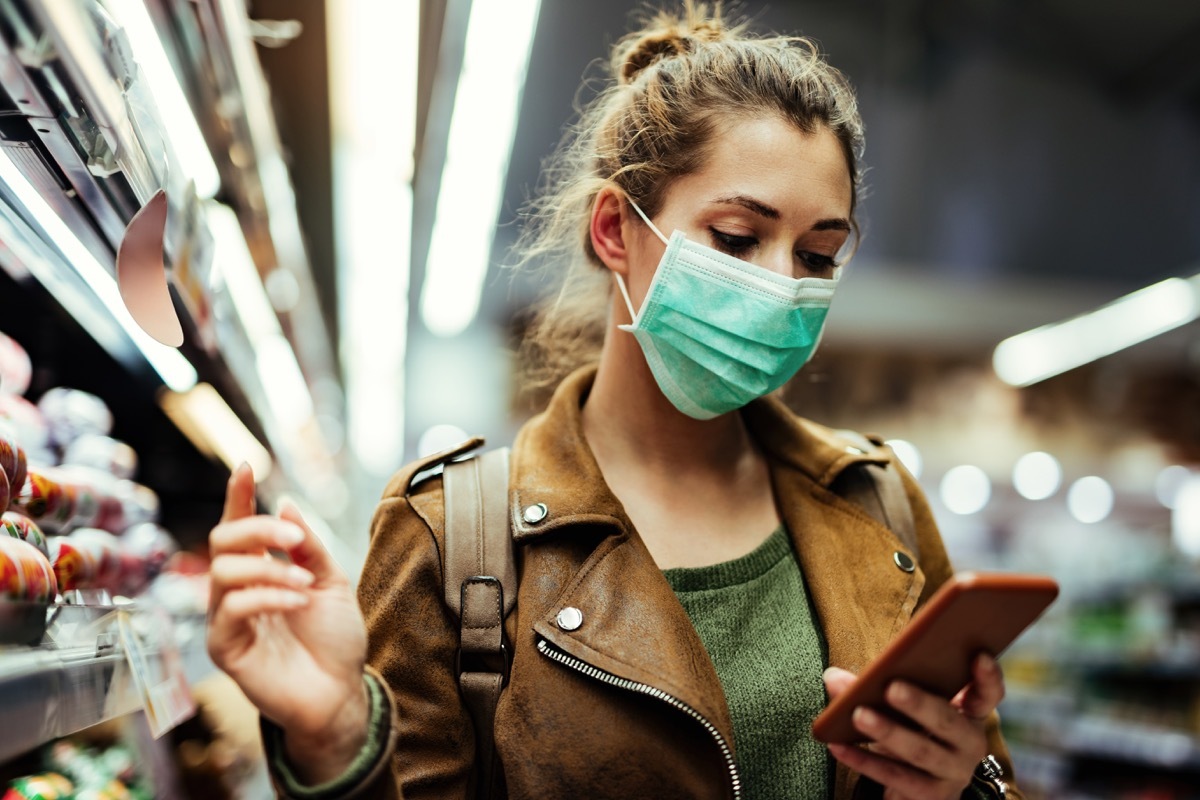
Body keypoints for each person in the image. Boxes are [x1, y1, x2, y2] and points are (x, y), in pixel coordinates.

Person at [207, 4, 1023, 799]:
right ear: (613, 231)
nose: (783, 285)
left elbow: (989, 773)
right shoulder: (452, 535)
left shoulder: (877, 503)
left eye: (817, 254)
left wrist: (960, 788)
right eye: (738, 238)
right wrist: (335, 740)